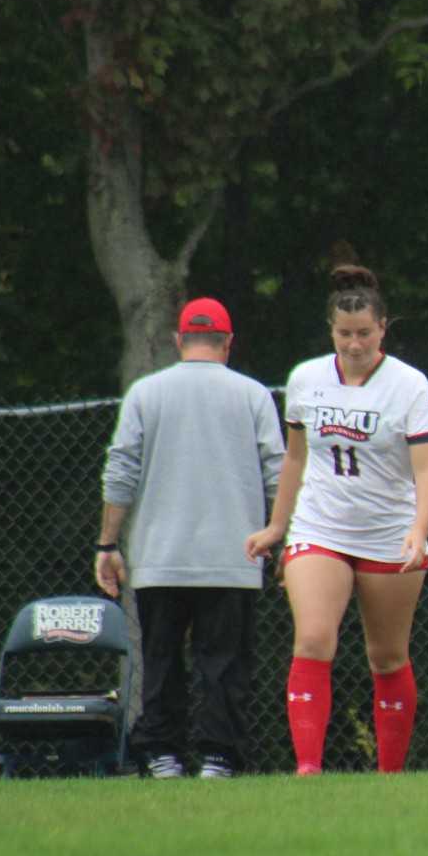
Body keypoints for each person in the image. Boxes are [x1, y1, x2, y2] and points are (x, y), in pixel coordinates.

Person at [245, 264, 428, 774]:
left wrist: (418, 531)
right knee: (312, 638)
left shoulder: (408, 385)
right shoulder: (307, 379)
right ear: (331, 331)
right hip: (321, 528)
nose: (354, 344)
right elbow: (295, 459)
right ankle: (308, 769)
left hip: (387, 535)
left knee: (386, 656)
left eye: (364, 333)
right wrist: (276, 527)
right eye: (344, 334)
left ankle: (389, 775)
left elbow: (427, 469)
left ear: (383, 329)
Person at [98, 297, 284, 779]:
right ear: (228, 343)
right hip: (234, 555)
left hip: (161, 556)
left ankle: (162, 753)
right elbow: (277, 474)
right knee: (223, 664)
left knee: (160, 659)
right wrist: (282, 538)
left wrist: (107, 544)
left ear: (179, 340)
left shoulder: (145, 392)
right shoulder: (252, 394)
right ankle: (219, 757)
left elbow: (122, 471)